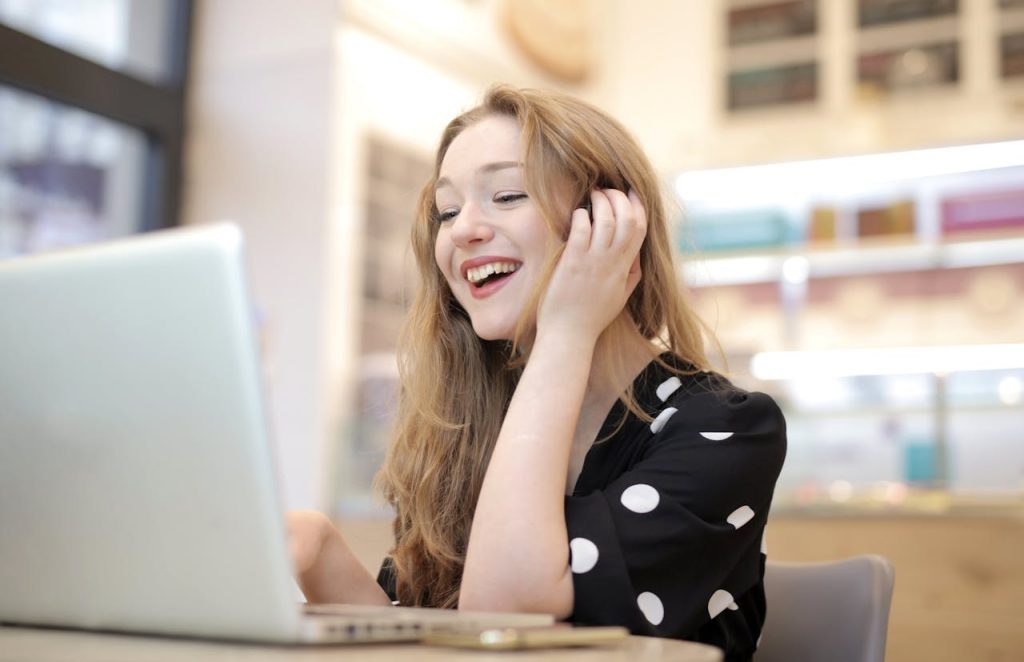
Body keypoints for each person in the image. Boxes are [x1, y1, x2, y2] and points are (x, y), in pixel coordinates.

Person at [287, 84, 786, 661]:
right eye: (447, 211)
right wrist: (318, 551)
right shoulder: (470, 422)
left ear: (608, 223)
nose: (462, 229)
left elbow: (502, 615)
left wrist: (567, 331)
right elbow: (430, 645)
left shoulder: (728, 429)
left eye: (505, 195)